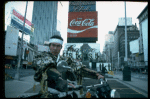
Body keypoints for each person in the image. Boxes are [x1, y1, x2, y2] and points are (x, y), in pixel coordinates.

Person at [33, 35, 104, 96]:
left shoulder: (65, 59)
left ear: (61, 47)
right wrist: (59, 79)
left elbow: (79, 68)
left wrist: (96, 75)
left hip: (64, 91)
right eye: (53, 45)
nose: (55, 48)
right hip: (48, 92)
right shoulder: (41, 56)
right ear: (49, 46)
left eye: (58, 46)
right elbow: (47, 67)